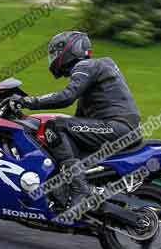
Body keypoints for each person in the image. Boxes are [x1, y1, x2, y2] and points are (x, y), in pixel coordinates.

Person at [10, 31, 142, 208]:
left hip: (117, 126)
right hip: (119, 127)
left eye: (55, 54)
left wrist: (28, 101)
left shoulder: (86, 66)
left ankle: (80, 188)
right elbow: (78, 119)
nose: (53, 59)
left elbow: (67, 96)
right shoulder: (94, 75)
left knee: (54, 126)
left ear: (70, 50)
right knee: (64, 133)